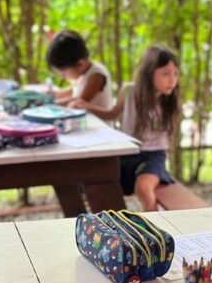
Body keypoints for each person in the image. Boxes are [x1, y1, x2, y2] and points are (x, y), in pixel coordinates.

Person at [72, 45, 181, 212]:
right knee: (97, 181)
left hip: (154, 156)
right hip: (128, 151)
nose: (172, 80)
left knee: (144, 188)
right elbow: (112, 114)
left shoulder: (169, 100)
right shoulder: (129, 91)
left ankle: (153, 229)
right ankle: (108, 225)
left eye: (175, 74)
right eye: (165, 74)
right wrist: (87, 106)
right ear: (149, 73)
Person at [46, 29, 113, 108]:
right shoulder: (83, 74)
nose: (63, 76)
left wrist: (50, 104)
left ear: (80, 64)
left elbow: (79, 102)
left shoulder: (97, 75)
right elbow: (70, 92)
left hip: (96, 120)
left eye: (63, 72)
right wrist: (52, 95)